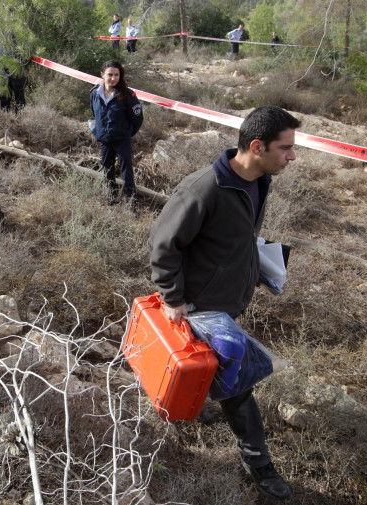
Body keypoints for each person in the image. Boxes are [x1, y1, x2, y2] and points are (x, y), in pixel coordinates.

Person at [148, 105, 300, 501]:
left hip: (227, 299)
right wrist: (175, 298)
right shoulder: (204, 188)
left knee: (209, 374)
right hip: (202, 307)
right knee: (240, 385)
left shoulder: (259, 178)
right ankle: (260, 466)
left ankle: (191, 403)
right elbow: (162, 245)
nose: (292, 156)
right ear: (256, 146)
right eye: (285, 148)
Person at [89, 60, 143, 210]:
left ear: (121, 75)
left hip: (122, 140)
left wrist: (126, 133)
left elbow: (137, 118)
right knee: (107, 168)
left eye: (116, 75)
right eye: (110, 75)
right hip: (105, 140)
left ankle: (130, 203)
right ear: (102, 75)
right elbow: (95, 113)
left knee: (126, 171)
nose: (113, 78)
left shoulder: (127, 95)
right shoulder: (94, 93)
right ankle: (110, 195)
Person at [0, 41, 27, 114]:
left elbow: (27, 50)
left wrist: (19, 62)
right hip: (2, 70)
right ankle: (5, 119)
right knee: (3, 98)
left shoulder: (17, 32)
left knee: (19, 99)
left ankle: (19, 120)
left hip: (16, 70)